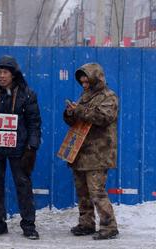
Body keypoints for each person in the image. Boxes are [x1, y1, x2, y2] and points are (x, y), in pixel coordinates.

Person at [0, 55, 42, 240]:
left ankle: (28, 225)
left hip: (19, 149)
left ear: (13, 75)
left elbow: (34, 123)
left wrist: (32, 148)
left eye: (5, 72)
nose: (2, 76)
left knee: (23, 186)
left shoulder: (27, 94)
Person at [63, 63, 119, 240]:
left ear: (96, 78)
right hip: (80, 152)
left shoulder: (108, 96)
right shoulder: (85, 96)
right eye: (82, 82)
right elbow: (78, 120)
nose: (84, 84)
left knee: (97, 192)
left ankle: (109, 226)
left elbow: (103, 117)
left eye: (87, 81)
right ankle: (86, 223)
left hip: (98, 153)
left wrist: (78, 110)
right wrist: (70, 113)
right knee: (83, 192)